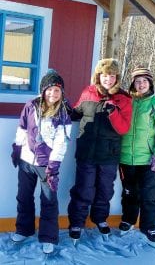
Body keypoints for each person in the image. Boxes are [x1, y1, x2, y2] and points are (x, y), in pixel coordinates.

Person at [67, 58, 132, 241]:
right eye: (105, 75)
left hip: (109, 154)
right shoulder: (88, 92)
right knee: (83, 189)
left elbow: (123, 128)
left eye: (112, 76)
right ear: (98, 75)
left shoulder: (124, 98)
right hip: (87, 152)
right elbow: (76, 112)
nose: (108, 79)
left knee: (105, 189)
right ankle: (77, 222)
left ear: (116, 78)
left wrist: (114, 112)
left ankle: (100, 218)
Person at [10, 69, 72, 254]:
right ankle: (24, 229)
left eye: (57, 91)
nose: (53, 94)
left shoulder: (62, 112)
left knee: (49, 200)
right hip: (27, 162)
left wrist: (54, 165)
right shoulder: (31, 106)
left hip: (48, 166)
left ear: (62, 93)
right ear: (43, 90)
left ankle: (48, 237)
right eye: (50, 89)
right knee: (24, 197)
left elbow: (62, 141)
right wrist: (17, 148)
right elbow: (22, 128)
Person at [119, 67, 155, 248]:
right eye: (137, 81)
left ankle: (150, 227)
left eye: (144, 81)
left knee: (150, 195)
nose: (140, 84)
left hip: (148, 159)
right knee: (129, 193)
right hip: (126, 157)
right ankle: (128, 219)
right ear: (133, 83)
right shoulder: (127, 102)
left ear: (150, 83)